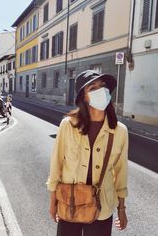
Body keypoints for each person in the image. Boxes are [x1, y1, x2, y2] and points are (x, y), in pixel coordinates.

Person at [47, 70, 128, 236]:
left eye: (103, 86)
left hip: (102, 206)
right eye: (93, 88)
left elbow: (121, 173)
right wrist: (52, 201)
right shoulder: (67, 125)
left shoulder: (120, 131)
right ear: (84, 97)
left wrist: (121, 208)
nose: (101, 91)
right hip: (69, 202)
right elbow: (56, 165)